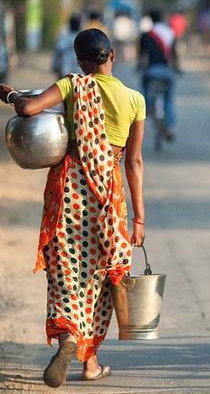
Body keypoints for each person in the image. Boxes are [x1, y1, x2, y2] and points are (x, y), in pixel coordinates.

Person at [0, 28, 145, 388]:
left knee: (66, 270)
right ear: (112, 55)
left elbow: (29, 108)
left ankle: (68, 340)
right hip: (108, 199)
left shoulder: (73, 85)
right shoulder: (135, 100)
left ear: (80, 62)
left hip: (69, 190)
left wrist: (12, 94)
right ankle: (90, 363)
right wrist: (139, 217)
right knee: (98, 274)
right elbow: (135, 162)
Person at [138, 9, 180, 140]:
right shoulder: (170, 33)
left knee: (144, 86)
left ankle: (147, 107)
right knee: (168, 98)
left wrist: (139, 67)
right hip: (166, 72)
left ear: (150, 19)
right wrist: (178, 68)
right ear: (162, 18)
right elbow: (174, 55)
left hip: (151, 71)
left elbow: (141, 56)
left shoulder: (146, 35)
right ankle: (169, 126)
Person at [51, 13, 82, 78]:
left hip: (64, 72)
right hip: (80, 74)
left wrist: (54, 67)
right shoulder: (83, 39)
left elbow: (57, 54)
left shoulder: (63, 38)